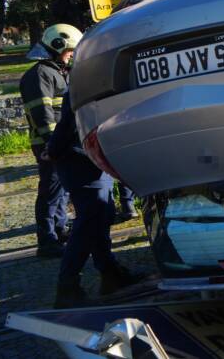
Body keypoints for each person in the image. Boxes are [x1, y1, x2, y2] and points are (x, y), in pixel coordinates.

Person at [46, 93, 145, 307]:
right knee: (90, 220)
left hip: (89, 158)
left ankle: (110, 275)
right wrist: (53, 150)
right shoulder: (86, 81)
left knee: (102, 213)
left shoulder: (93, 79)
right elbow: (71, 122)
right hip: (81, 160)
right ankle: (68, 287)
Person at [20, 23, 81, 258]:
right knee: (51, 190)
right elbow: (42, 114)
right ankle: (46, 240)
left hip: (59, 142)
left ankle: (59, 229)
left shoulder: (56, 72)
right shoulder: (40, 74)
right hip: (48, 143)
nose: (72, 55)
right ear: (57, 46)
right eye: (70, 50)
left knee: (62, 189)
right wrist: (51, 145)